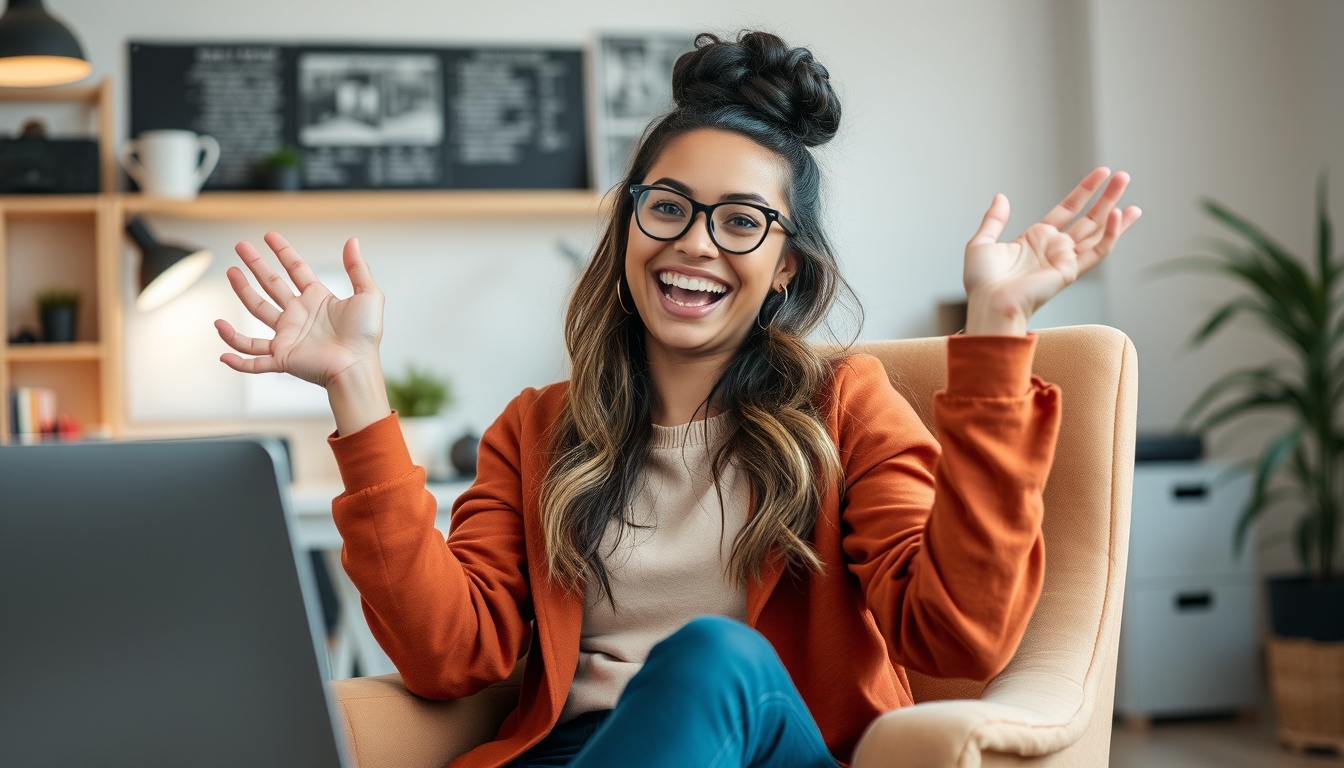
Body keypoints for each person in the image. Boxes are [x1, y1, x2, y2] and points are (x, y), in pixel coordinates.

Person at [215, 31, 1140, 768]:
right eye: (667, 206)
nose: (695, 243)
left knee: (715, 658)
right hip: (579, 754)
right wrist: (354, 385)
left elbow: (959, 634)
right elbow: (451, 658)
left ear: (785, 269)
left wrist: (996, 331)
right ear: (629, 230)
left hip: (763, 745)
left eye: (741, 221)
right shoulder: (537, 428)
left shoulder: (845, 404)